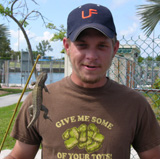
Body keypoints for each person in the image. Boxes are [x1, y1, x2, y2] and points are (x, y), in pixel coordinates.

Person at [4, 3, 160, 159]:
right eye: (82, 45)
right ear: (67, 46)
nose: (91, 56)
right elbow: (19, 155)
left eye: (102, 46)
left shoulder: (135, 104)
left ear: (115, 49)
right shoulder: (39, 99)